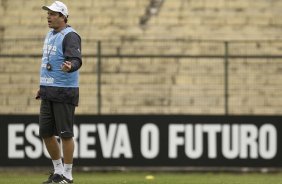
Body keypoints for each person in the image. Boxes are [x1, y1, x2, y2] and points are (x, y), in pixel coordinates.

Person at [36, 1, 82, 183]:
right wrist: (42, 86)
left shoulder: (70, 36)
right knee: (46, 132)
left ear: (63, 17)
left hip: (64, 91)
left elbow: (76, 59)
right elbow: (50, 64)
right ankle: (58, 172)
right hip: (48, 90)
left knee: (65, 134)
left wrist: (70, 66)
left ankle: (68, 176)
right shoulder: (50, 34)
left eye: (53, 14)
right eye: (48, 13)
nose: (49, 16)